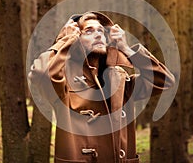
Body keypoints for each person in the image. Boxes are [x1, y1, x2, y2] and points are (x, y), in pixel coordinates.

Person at [28, 11, 175, 163]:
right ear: (76, 38)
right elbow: (40, 73)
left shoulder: (120, 77)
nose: (98, 35)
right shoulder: (62, 77)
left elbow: (164, 80)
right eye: (89, 31)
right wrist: (65, 40)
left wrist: (127, 49)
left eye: (101, 31)